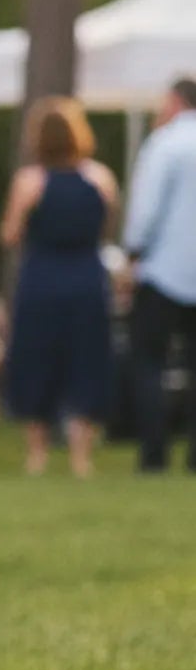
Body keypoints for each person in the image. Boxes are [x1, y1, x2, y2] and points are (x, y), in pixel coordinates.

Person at [0, 96, 119, 478]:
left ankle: (37, 454)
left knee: (37, 358)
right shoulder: (100, 179)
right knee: (86, 359)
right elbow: (108, 226)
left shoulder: (29, 182)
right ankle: (81, 456)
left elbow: (10, 233)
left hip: (42, 278)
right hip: (87, 278)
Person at [123, 77, 196, 472]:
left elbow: (146, 209)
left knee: (149, 361)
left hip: (166, 270)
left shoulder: (166, 144)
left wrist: (133, 252)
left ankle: (154, 453)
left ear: (175, 100)